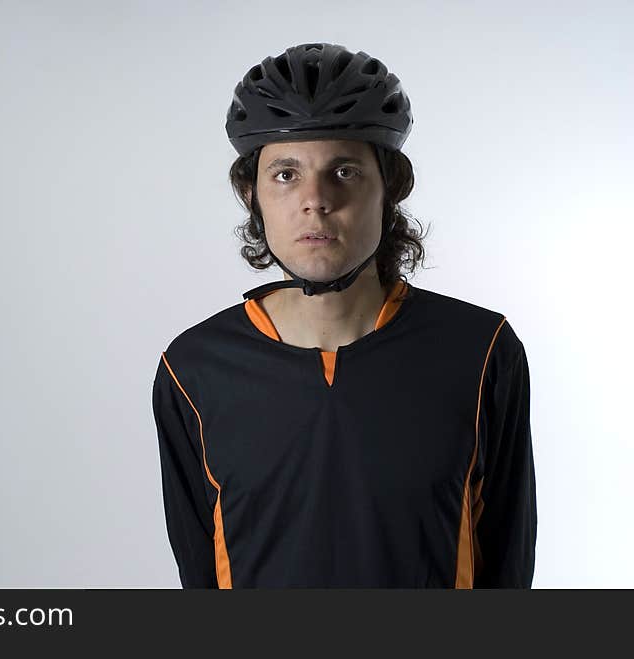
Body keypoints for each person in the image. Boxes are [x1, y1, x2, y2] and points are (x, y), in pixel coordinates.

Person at [152, 42, 537, 588]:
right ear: (250, 193)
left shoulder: (480, 351)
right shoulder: (192, 369)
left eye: (345, 172)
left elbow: (509, 562)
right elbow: (198, 574)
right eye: (286, 174)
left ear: (391, 187)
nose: (316, 199)